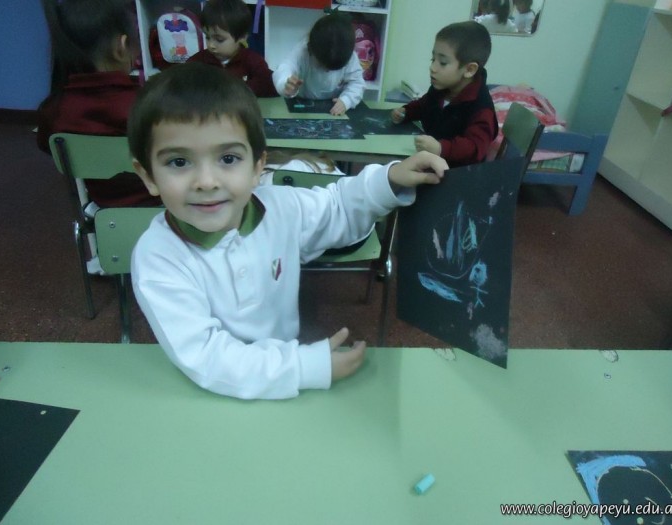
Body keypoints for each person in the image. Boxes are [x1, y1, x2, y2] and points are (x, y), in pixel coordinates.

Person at [127, 62, 447, 400]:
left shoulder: (281, 208)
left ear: (257, 167)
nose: (206, 182)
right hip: (213, 396)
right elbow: (206, 357)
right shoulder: (158, 256)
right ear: (148, 175)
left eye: (228, 159)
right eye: (179, 162)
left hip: (284, 385)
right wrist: (303, 367)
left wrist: (389, 180)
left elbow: (337, 207)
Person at [37, 0, 161, 210]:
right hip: (161, 207)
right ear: (121, 47)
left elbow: (50, 149)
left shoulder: (54, 109)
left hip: (104, 213)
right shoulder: (147, 104)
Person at [390, 21, 498, 167]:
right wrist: (406, 112)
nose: (432, 67)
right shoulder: (442, 88)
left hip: (456, 175)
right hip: (431, 163)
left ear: (469, 70)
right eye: (433, 59)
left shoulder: (481, 108)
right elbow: (424, 105)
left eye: (442, 62)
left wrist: (441, 148)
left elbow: (475, 148)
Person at [272, 11, 365, 115]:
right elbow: (284, 68)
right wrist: (285, 84)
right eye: (321, 65)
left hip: (333, 107)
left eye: (334, 69)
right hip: (302, 105)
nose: (327, 71)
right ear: (312, 49)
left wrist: (347, 100)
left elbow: (357, 83)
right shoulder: (303, 51)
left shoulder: (349, 55)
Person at [187, 0, 277, 97]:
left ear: (242, 37)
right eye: (208, 37)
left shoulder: (252, 60)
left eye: (219, 40)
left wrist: (235, 89)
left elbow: (269, 84)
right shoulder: (199, 61)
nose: (211, 45)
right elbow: (182, 82)